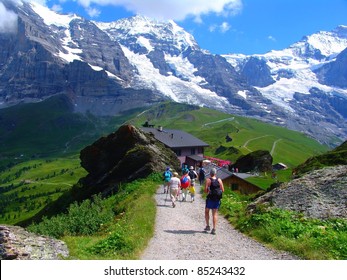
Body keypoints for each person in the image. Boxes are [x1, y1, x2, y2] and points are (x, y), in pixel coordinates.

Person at [204, 167, 224, 235]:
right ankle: (214, 229)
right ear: (215, 173)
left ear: (210, 173)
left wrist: (209, 191)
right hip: (217, 199)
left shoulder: (208, 180)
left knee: (207, 211)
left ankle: (207, 226)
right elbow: (222, 190)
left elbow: (205, 190)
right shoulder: (219, 180)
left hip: (210, 198)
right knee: (214, 213)